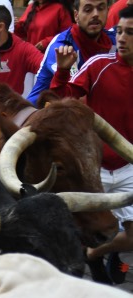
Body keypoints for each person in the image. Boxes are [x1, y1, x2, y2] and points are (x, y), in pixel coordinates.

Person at [51, 6, 133, 283]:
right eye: (119, 31)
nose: (121, 38)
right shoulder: (98, 64)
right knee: (72, 229)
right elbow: (61, 103)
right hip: (93, 168)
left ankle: (95, 254)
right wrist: (62, 72)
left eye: (130, 33)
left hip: (129, 165)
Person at [27, 0, 114, 104]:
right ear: (76, 15)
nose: (95, 14)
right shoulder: (62, 46)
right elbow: (75, 95)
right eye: (88, 10)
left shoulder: (114, 41)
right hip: (41, 113)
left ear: (108, 11)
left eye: (100, 8)